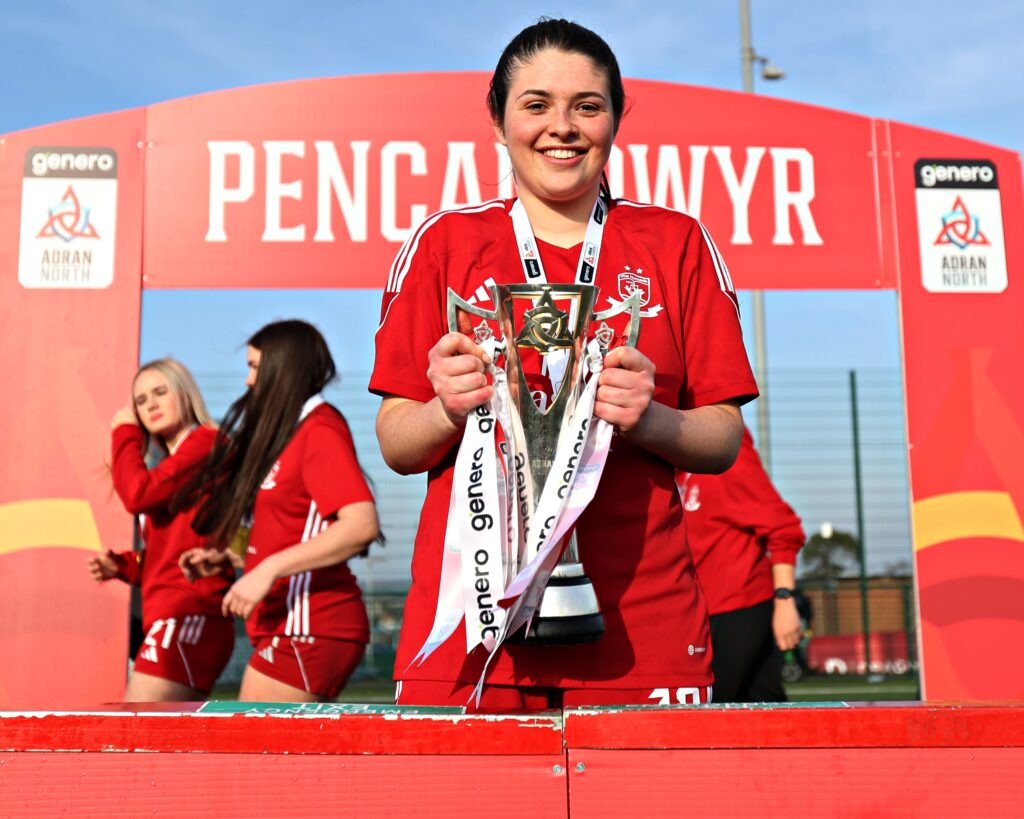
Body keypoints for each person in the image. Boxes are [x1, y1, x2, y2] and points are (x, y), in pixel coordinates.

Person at [370, 18, 758, 711]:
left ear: (616, 117)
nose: (563, 127)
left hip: (645, 627)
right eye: (537, 104)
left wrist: (651, 419)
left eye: (588, 105)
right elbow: (397, 441)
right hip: (473, 630)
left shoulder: (676, 241)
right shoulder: (444, 242)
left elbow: (722, 437)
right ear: (498, 119)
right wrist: (444, 409)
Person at [179, 320, 380, 703]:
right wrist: (232, 558)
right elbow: (294, 529)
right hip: (286, 624)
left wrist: (267, 572)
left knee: (250, 753)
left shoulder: (320, 429)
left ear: (281, 369)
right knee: (271, 760)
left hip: (312, 624)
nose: (248, 381)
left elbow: (360, 524)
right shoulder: (294, 432)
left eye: (254, 367)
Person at [88, 358, 234, 701]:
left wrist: (124, 432)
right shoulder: (176, 460)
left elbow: (137, 494)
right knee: (155, 742)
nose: (150, 404)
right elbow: (171, 549)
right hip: (172, 613)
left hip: (189, 611)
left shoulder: (206, 442)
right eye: (140, 401)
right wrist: (124, 565)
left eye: (159, 392)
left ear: (184, 393)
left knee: (134, 733)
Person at [679, 427, 806, 702]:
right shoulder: (668, 464)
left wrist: (785, 599)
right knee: (764, 709)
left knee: (711, 713)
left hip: (738, 605)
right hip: (701, 611)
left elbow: (783, 527)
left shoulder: (722, 451)